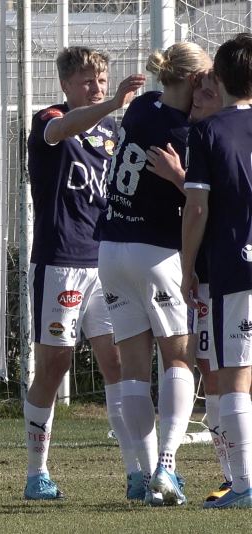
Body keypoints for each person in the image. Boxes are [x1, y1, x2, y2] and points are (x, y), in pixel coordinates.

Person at [24, 46, 146, 500]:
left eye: (100, 79)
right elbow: (62, 129)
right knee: (55, 364)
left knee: (116, 361)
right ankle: (37, 473)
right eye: (86, 81)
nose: (95, 86)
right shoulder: (49, 120)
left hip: (107, 261)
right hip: (61, 262)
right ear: (66, 85)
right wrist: (112, 102)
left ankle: (137, 472)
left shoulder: (115, 130)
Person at [97, 41, 210, 506]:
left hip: (111, 250)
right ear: (192, 78)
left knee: (133, 374)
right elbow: (202, 199)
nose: (211, 79)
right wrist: (181, 176)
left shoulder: (144, 105)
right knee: (179, 361)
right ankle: (166, 467)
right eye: (205, 72)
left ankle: (144, 479)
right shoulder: (185, 132)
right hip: (156, 253)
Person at [145, 70, 233, 504]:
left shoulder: (222, 137)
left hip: (227, 274)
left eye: (209, 91)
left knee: (228, 374)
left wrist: (178, 176)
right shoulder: (199, 134)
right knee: (210, 370)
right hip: (208, 276)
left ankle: (240, 477)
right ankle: (232, 475)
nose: (198, 96)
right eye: (197, 87)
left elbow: (215, 208)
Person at [181, 32, 252, 509]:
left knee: (232, 377)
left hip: (233, 265)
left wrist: (187, 266)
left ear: (219, 77)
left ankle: (243, 485)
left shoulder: (206, 132)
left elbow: (198, 209)